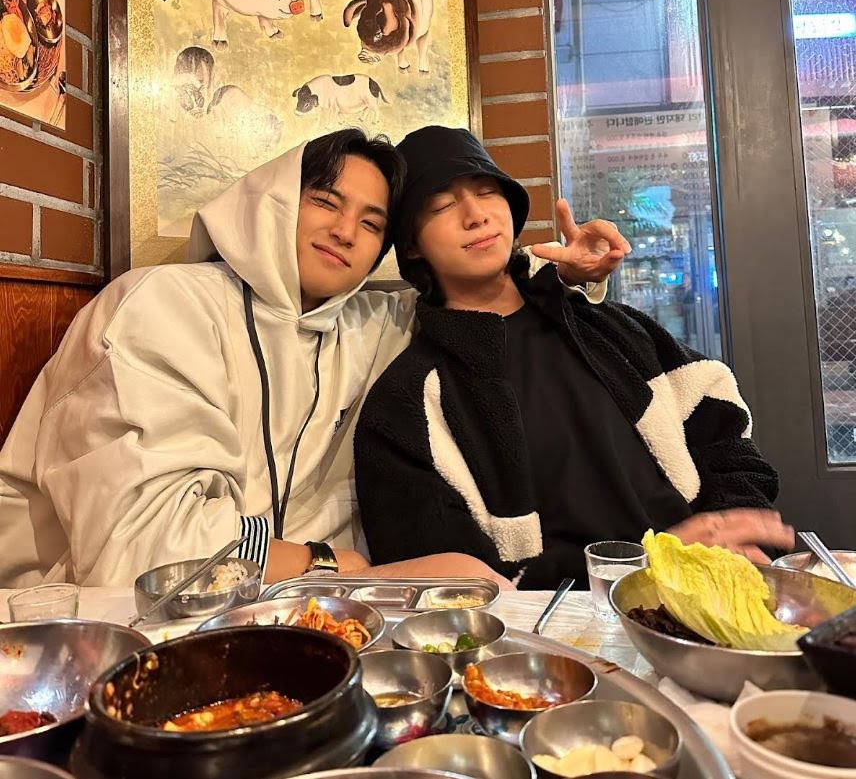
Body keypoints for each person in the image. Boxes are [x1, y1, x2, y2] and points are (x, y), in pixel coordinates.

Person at [0, 129, 626, 589]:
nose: (346, 232)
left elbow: (469, 294)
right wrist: (327, 563)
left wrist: (562, 275)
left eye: (372, 223)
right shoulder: (161, 305)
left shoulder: (371, 323)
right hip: (94, 618)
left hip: (304, 612)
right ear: (272, 201)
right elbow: (145, 548)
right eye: (326, 202)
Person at [354, 126, 795, 590]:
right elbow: (454, 581)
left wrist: (730, 525)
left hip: (713, 592)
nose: (476, 215)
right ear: (411, 245)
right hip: (559, 624)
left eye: (487, 192)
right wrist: (648, 565)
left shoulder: (614, 330)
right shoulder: (409, 402)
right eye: (442, 206)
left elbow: (724, 432)